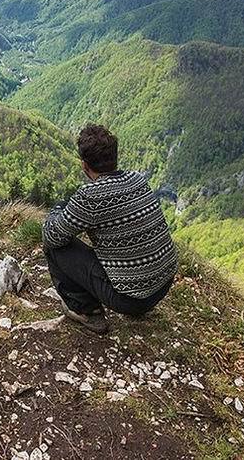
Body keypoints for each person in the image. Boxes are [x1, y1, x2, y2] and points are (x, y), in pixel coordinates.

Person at [43, 124, 178, 334]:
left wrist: (57, 209)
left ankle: (87, 311)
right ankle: (133, 293)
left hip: (132, 299)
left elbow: (52, 236)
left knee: (56, 246)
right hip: (164, 284)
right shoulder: (138, 179)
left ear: (84, 166)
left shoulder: (90, 196)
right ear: (115, 158)